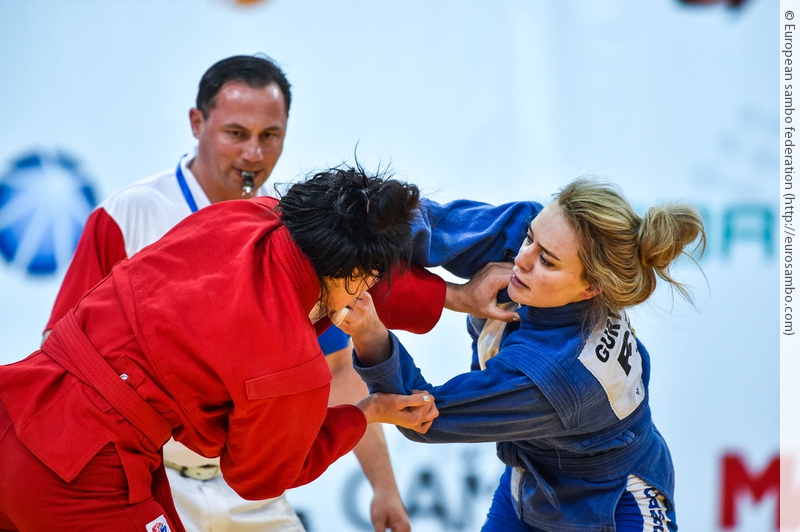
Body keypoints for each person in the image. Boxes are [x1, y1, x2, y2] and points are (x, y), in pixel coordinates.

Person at [41, 54, 414, 532]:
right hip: (151, 473)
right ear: (197, 123)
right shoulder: (132, 212)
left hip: (247, 482)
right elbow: (61, 342)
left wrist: (384, 486)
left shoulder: (300, 230)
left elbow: (339, 369)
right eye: (236, 133)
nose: (253, 154)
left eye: (269, 135)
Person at [0, 166, 445, 531]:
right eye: (370, 279)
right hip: (78, 469)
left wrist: (453, 297)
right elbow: (258, 478)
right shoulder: (289, 359)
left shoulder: (240, 215)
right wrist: (366, 412)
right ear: (355, 271)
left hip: (18, 400)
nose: (366, 294)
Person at [338, 178, 706, 532]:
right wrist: (364, 219)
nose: (522, 259)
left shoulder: (557, 374)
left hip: (613, 504)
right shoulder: (538, 239)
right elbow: (431, 225)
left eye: (548, 262)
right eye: (530, 237)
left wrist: (370, 334)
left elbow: (421, 416)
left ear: (590, 288)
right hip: (532, 480)